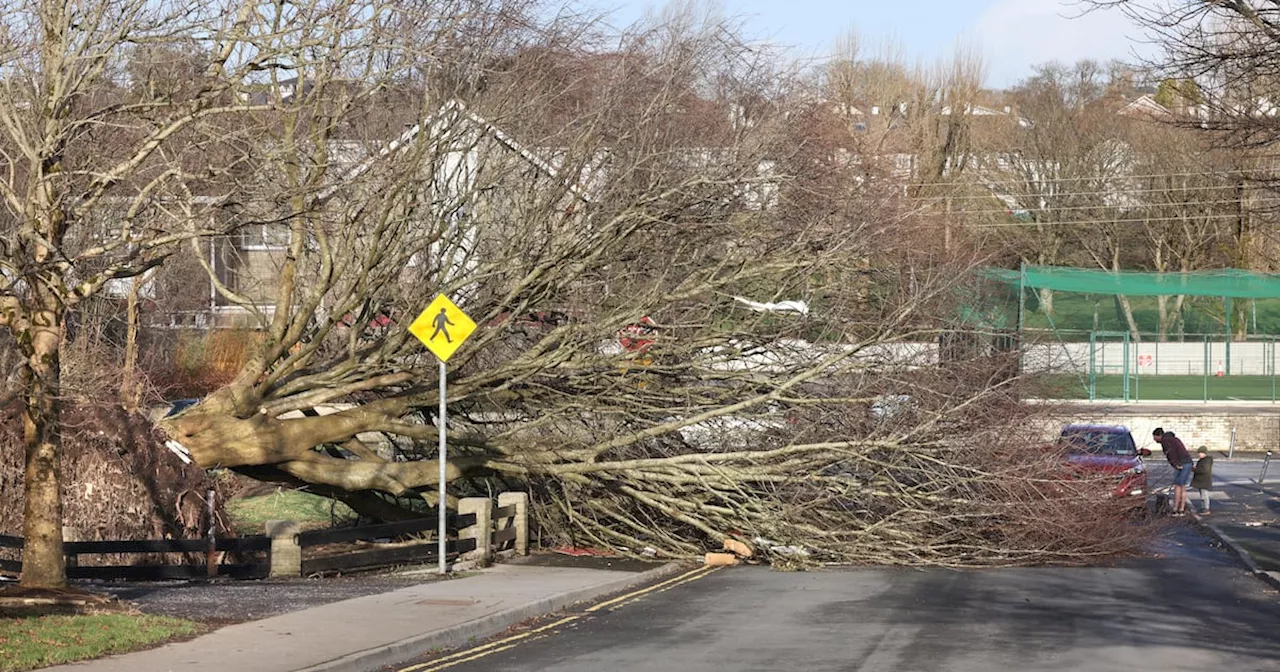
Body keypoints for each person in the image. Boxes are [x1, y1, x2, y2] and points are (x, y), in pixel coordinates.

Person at [1153, 428, 1195, 517]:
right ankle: (1181, 509)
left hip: (1181, 463)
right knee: (1182, 486)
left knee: (1178, 486)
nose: (1154, 439)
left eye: (1154, 437)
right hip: (1187, 462)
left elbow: (1171, 454)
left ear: (1158, 436)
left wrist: (1176, 464)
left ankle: (1175, 509)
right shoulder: (1173, 439)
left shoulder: (1166, 441)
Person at [1192, 446, 1214, 515]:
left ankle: (1206, 509)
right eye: (1199, 453)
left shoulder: (1205, 461)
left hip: (1204, 481)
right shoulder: (1204, 460)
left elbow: (1204, 470)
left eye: (1200, 453)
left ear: (1204, 453)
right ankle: (1203, 508)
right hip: (1203, 481)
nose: (1199, 454)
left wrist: (1194, 469)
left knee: (1204, 496)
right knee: (1202, 495)